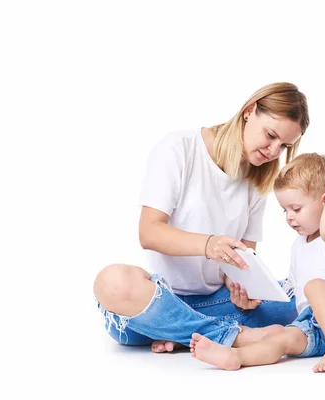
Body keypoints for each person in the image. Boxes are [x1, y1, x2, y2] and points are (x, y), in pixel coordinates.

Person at [93, 82, 309, 352]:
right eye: (270, 135)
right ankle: (231, 337)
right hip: (159, 299)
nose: (274, 151)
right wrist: (209, 245)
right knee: (112, 282)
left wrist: (242, 292)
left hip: (215, 304)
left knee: (306, 295)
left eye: (284, 146)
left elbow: (243, 262)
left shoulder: (258, 180)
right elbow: (148, 233)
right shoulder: (180, 149)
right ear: (249, 111)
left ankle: (180, 331)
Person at [189, 153, 325, 372]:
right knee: (283, 335)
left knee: (315, 286)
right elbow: (293, 291)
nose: (289, 217)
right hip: (315, 324)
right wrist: (258, 292)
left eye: (296, 209)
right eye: (285, 210)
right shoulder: (299, 246)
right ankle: (237, 356)